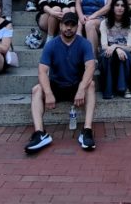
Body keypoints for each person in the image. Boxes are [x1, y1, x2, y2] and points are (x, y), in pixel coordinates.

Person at [24, 12, 97, 154]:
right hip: (56, 85)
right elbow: (42, 71)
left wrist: (81, 89)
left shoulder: (84, 44)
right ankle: (40, 133)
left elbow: (90, 67)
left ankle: (87, 130)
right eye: (66, 24)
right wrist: (48, 93)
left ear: (77, 27)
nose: (68, 28)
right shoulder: (51, 45)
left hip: (75, 86)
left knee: (91, 85)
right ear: (60, 25)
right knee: (36, 90)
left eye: (72, 25)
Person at [99, 0, 131, 99]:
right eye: (117, 5)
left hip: (125, 52)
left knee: (124, 55)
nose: (120, 7)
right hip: (108, 51)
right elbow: (104, 46)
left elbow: (130, 48)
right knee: (107, 55)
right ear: (112, 7)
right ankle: (108, 91)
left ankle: (124, 88)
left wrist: (116, 46)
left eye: (122, 5)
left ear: (126, 8)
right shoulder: (104, 23)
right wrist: (115, 49)